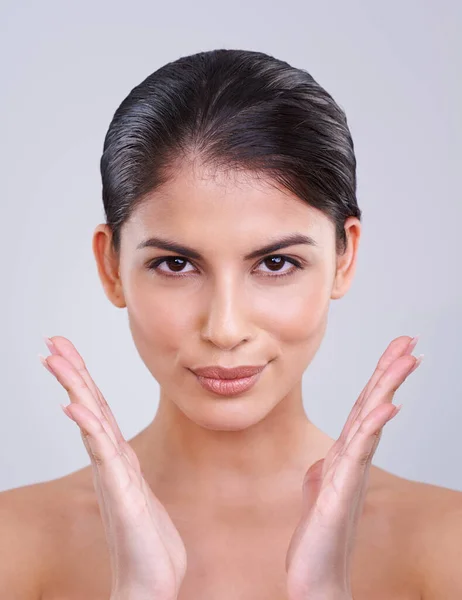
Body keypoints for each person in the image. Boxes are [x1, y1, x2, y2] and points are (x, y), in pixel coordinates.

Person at [1, 48, 461, 600]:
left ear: (344, 257)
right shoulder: (14, 545)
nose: (224, 327)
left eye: (275, 263)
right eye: (175, 264)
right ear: (111, 267)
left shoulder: (446, 544)